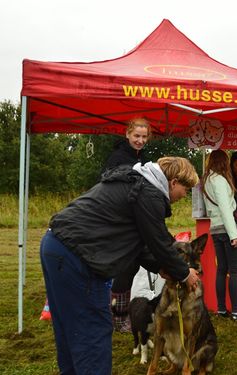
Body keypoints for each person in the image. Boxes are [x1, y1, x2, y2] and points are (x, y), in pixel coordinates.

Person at [40, 157, 200, 375]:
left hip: (56, 246)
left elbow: (139, 241)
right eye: (186, 188)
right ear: (173, 182)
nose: (184, 195)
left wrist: (159, 267)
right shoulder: (149, 193)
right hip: (78, 258)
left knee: (69, 328)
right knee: (92, 331)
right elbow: (160, 242)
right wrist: (184, 273)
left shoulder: (135, 183)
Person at [102, 117, 152, 333]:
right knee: (120, 268)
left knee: (130, 267)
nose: (140, 140)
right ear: (127, 134)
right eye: (136, 136)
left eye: (143, 137)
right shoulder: (117, 157)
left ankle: (119, 316)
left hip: (135, 220)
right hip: (116, 220)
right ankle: (117, 318)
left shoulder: (145, 158)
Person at [202, 149, 237, 322]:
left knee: (222, 269)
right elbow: (226, 208)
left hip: (216, 229)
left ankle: (222, 309)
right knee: (234, 271)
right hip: (226, 229)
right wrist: (234, 234)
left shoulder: (208, 179)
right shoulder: (219, 180)